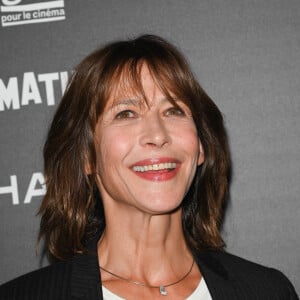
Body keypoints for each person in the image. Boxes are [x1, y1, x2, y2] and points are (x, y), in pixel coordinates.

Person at [0, 34, 298, 300]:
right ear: (87, 156)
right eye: (126, 113)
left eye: (173, 110)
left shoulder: (269, 291)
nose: (157, 135)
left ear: (201, 147)